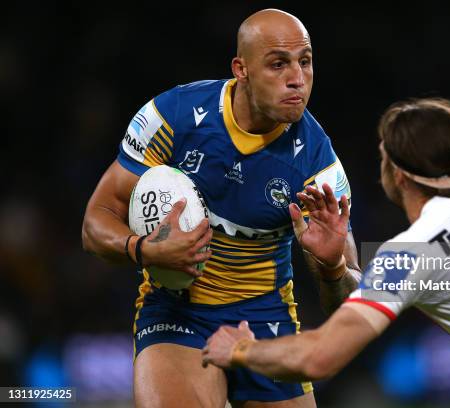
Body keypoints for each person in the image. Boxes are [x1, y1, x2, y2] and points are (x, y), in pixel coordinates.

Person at [202, 98, 450, 407]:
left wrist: (240, 349)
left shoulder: (415, 250)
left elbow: (320, 357)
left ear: (395, 172)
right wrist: (334, 267)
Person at [82, 9, 361, 408]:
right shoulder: (173, 117)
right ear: (241, 69)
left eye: (305, 61)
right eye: (278, 64)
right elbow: (94, 223)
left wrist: (333, 267)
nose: (297, 78)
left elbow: (348, 313)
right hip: (178, 314)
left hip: (266, 320)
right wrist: (145, 251)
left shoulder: (319, 167)